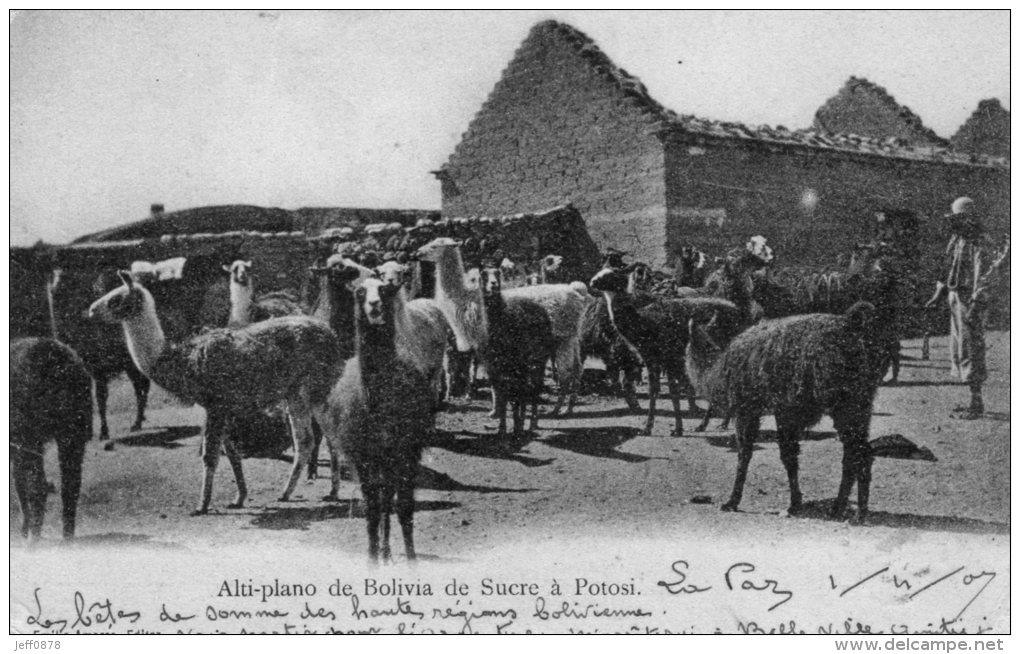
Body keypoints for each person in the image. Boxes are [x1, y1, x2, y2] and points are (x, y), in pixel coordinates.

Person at [925, 197, 1007, 418]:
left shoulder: (980, 243)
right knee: (959, 349)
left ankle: (976, 401)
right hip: (955, 296)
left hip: (969, 300)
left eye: (960, 219)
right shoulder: (956, 240)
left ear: (970, 219)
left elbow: (985, 277)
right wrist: (938, 294)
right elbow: (947, 268)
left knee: (972, 348)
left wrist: (975, 304)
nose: (956, 224)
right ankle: (971, 399)